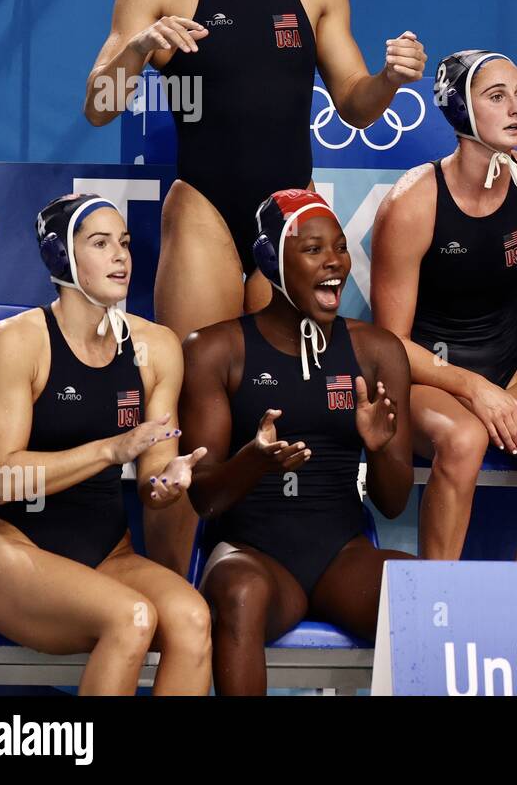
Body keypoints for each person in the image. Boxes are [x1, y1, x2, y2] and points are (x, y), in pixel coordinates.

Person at [81, 0, 426, 574]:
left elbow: (356, 104)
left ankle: (267, 565)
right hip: (206, 206)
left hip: (290, 218)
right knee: (185, 419)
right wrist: (139, 49)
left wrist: (393, 79)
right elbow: (100, 104)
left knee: (284, 407)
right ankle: (176, 594)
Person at [0, 194, 211, 695]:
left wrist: (167, 482)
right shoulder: (15, 342)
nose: (121, 255)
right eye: (100, 243)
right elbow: (0, 480)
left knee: (192, 617)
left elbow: (152, 474)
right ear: (62, 257)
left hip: (108, 553)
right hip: (16, 552)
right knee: (133, 617)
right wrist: (109, 450)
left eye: (123, 242)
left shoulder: (156, 348)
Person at [179, 189, 414, 695]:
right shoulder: (215, 350)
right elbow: (203, 497)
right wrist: (253, 462)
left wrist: (377, 447)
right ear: (271, 262)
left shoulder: (377, 352)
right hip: (251, 555)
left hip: (342, 558)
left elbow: (394, 504)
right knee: (239, 593)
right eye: (313, 250)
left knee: (431, 597)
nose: (335, 262)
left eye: (340, 247)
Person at [369, 51, 517, 560]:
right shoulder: (412, 203)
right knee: (465, 439)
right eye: (497, 97)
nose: (516, 108)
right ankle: (437, 601)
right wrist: (474, 389)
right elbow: (390, 346)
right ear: (458, 108)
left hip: (511, 368)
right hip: (427, 375)